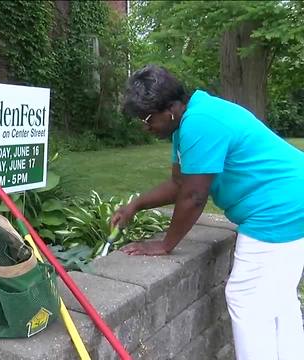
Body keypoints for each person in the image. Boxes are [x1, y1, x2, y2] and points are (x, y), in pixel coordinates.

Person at [112, 64, 304, 360]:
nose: (145, 126)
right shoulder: (187, 123)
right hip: (293, 198)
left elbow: (194, 196)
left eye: (148, 119)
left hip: (279, 207)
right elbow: (179, 183)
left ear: (171, 109)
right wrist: (134, 206)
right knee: (279, 300)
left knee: (247, 300)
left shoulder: (200, 123)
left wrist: (165, 245)